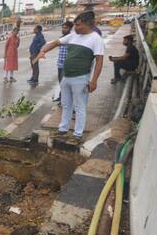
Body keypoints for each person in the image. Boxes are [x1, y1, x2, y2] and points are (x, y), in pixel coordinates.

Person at [33, 11, 105, 143]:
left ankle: (77, 135)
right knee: (66, 105)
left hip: (81, 78)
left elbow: (99, 61)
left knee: (79, 106)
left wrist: (94, 81)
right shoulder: (73, 36)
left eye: (78, 25)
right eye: (75, 25)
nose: (75, 28)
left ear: (88, 24)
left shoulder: (96, 39)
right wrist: (43, 51)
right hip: (66, 77)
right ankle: (63, 130)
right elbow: (55, 43)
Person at [53, 21, 74, 103]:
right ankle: (61, 97)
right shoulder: (62, 38)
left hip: (67, 65)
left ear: (70, 28)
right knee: (61, 82)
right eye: (63, 27)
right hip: (60, 64)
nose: (63, 29)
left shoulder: (71, 38)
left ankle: (64, 100)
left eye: (66, 28)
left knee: (64, 83)